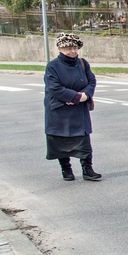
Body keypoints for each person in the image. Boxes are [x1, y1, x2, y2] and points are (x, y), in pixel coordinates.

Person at [44, 33, 101, 182]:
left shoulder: (83, 63)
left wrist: (85, 95)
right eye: (68, 48)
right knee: (60, 140)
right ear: (60, 49)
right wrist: (73, 97)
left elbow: (92, 81)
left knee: (83, 139)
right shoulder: (52, 66)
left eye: (74, 47)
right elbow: (54, 88)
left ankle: (87, 169)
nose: (72, 51)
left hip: (78, 109)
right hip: (59, 110)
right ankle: (66, 169)